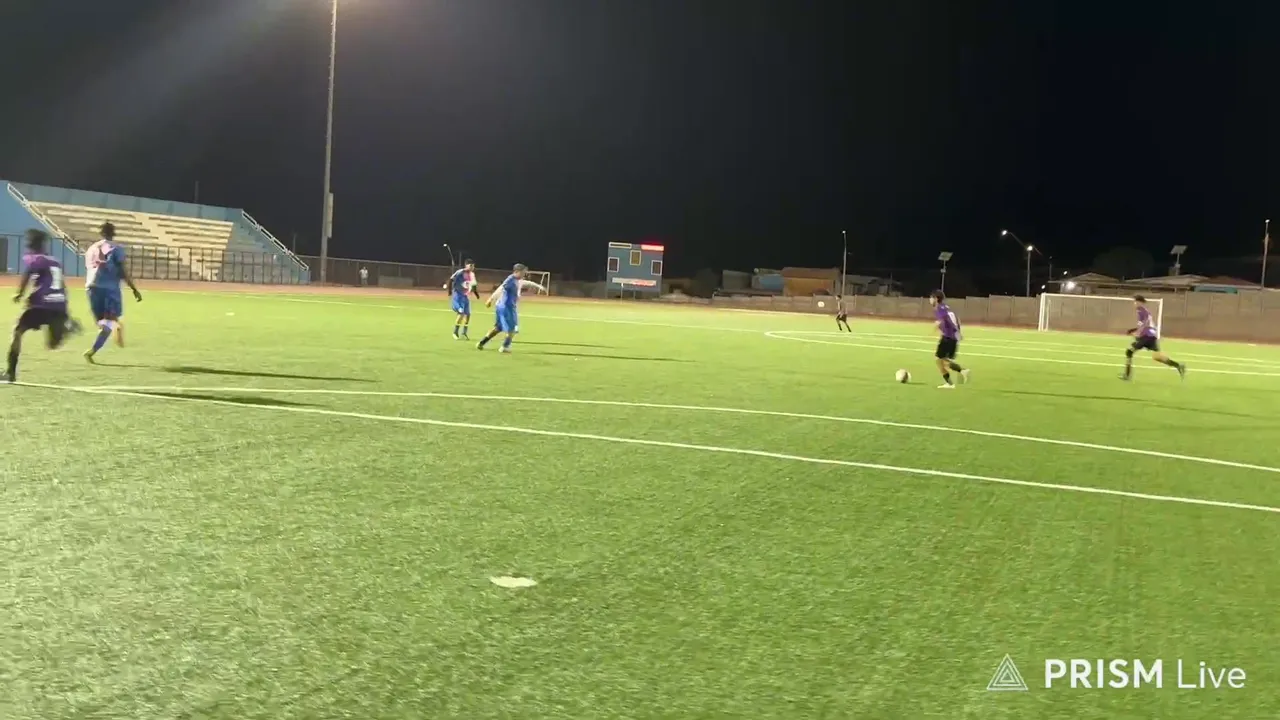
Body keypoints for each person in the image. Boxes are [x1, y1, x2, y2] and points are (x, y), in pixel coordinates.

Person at [3, 229, 81, 382]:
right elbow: (62, 285)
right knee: (53, 345)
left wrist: (19, 294)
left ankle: (10, 373)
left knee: (17, 331)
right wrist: (65, 310)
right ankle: (68, 327)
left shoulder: (34, 258)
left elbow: (27, 275)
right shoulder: (55, 262)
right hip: (59, 306)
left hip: (41, 305)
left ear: (31, 244)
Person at [83, 222, 142, 362]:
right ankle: (92, 351)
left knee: (100, 321)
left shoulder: (91, 249)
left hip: (91, 287)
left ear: (101, 233)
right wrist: (134, 289)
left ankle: (114, 324)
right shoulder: (116, 248)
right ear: (113, 233)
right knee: (107, 324)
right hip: (109, 289)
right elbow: (122, 271)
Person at [476, 263, 546, 353]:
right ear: (517, 271)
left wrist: (539, 286)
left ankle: (481, 343)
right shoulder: (510, 280)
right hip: (506, 307)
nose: (525, 274)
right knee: (513, 329)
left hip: (503, 307)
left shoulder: (517, 280)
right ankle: (505, 347)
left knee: (498, 328)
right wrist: (491, 299)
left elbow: (527, 283)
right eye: (523, 272)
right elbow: (501, 288)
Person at [1121, 295, 1186, 381]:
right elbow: (1148, 324)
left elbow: (1145, 322)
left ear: (1140, 302)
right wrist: (1134, 330)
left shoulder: (1141, 310)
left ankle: (1127, 375)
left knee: (1129, 352)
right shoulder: (1145, 311)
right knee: (1157, 357)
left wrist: (1138, 332)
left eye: (1135, 301)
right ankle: (1178, 366)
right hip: (1151, 336)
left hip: (1146, 336)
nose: (1134, 303)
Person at [929, 290, 970, 389]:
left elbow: (942, 321)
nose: (930, 300)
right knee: (944, 361)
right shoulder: (947, 308)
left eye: (931, 297)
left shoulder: (939, 308)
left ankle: (952, 380)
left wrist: (933, 331)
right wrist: (959, 332)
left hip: (947, 337)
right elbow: (956, 319)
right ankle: (960, 372)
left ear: (936, 299)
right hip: (953, 338)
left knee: (939, 360)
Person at [444, 259, 481, 339]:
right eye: (471, 266)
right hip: (458, 296)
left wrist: (476, 294)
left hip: (465, 296)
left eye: (473, 266)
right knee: (461, 313)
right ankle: (455, 332)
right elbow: (451, 280)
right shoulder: (460, 272)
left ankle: (464, 333)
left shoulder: (472, 274)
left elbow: (473, 285)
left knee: (468, 314)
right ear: (466, 265)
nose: (472, 267)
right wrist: (449, 291)